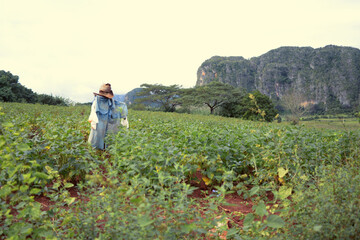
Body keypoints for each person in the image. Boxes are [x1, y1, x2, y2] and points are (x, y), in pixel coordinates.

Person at [88, 83, 129, 150]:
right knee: (98, 135)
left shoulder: (113, 103)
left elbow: (119, 106)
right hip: (99, 121)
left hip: (108, 122)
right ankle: (98, 150)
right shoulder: (97, 101)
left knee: (110, 135)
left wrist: (122, 112)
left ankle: (107, 149)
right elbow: (93, 113)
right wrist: (93, 122)